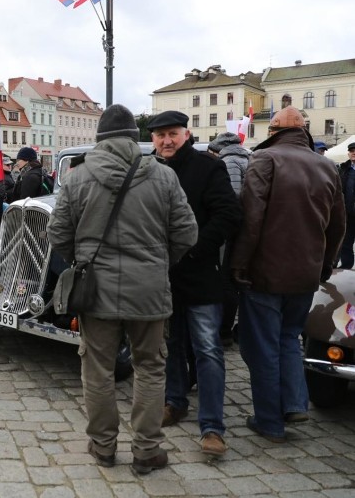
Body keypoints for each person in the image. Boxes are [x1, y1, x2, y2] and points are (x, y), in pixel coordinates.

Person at [47, 104, 198, 474]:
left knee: (97, 370)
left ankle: (103, 447)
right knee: (149, 368)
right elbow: (187, 234)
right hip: (149, 291)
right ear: (137, 138)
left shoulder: (78, 177)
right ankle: (147, 450)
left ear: (99, 139)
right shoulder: (163, 177)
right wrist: (159, 262)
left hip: (94, 291)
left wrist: (83, 259)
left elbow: (58, 234)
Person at [231, 106, 345, 441]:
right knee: (290, 339)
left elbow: (250, 220)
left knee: (263, 345)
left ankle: (269, 421)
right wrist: (325, 264)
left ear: (274, 130)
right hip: (306, 272)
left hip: (265, 272)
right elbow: (338, 226)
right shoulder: (327, 166)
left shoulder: (265, 160)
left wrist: (238, 263)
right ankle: (295, 403)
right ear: (304, 132)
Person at [149, 110, 242, 459]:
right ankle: (174, 401)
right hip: (163, 276)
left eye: (172, 134)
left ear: (186, 134)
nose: (166, 141)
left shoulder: (208, 167)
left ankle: (212, 426)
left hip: (200, 274)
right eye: (160, 136)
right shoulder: (149, 170)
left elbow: (229, 215)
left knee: (207, 349)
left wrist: (194, 249)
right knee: (171, 344)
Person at [207, 132, 251, 347]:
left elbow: (232, 197)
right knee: (238, 279)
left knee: (227, 280)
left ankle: (223, 332)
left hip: (234, 229)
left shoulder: (230, 161)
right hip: (248, 228)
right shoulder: (249, 158)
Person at [337, 142, 355, 269]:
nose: (354, 152)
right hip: (347, 214)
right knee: (346, 244)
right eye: (351, 150)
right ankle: (346, 269)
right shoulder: (343, 169)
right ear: (348, 153)